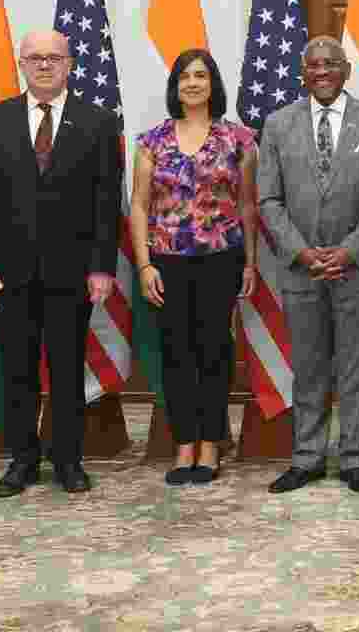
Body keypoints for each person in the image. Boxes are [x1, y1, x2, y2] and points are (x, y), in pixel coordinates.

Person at [0, 30, 122, 498]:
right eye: (35, 58)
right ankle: (21, 460)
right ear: (21, 64)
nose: (44, 65)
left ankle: (68, 460)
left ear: (70, 64)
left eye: (53, 58)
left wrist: (101, 267)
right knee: (16, 371)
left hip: (70, 273)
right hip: (8, 274)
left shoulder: (96, 122)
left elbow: (105, 200)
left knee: (66, 369)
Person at [259, 36, 359, 496]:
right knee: (310, 366)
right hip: (300, 269)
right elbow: (269, 199)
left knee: (356, 366)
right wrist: (301, 251)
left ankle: (355, 459)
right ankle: (307, 458)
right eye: (313, 65)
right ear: (302, 71)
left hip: (357, 268)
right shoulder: (277, 125)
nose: (322, 71)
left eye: (331, 64)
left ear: (347, 70)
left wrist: (351, 250)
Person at [131, 48, 256, 486]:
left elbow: (246, 205)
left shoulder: (239, 140)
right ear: (175, 86)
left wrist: (250, 263)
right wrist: (144, 265)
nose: (192, 83)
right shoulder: (152, 140)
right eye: (184, 76)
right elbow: (140, 205)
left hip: (221, 259)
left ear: (213, 84)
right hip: (167, 261)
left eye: (201, 75)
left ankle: (210, 444)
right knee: (176, 353)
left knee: (214, 353)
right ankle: (184, 444)